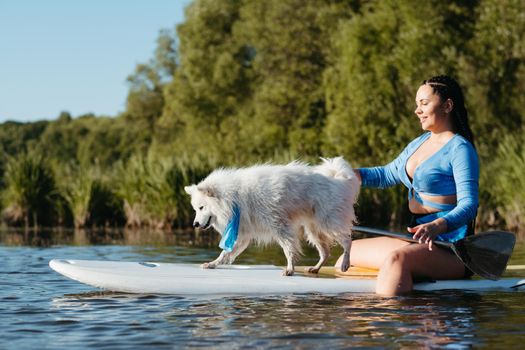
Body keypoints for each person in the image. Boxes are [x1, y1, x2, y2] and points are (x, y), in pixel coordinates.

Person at [335, 75, 479, 296]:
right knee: (347, 254)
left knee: (396, 259)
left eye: (424, 103)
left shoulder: (460, 149)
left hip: (452, 249)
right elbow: (385, 174)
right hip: (417, 240)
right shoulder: (419, 143)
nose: (417, 110)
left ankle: (397, 320)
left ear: (447, 106)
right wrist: (349, 175)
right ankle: (401, 284)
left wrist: (437, 226)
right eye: (416, 104)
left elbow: (469, 205)